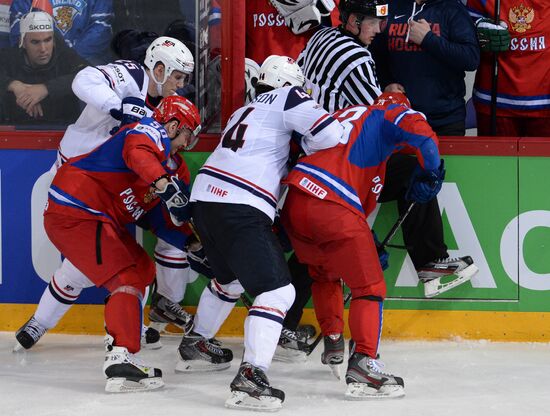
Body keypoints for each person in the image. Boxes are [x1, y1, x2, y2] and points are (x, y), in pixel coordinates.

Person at [283, 0, 479, 365]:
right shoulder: (355, 57)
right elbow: (378, 119)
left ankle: (283, 319)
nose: (379, 31)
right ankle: (430, 260)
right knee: (411, 168)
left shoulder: (320, 39)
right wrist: (394, 98)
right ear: (354, 21)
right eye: (373, 23)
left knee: (316, 255)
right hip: (337, 164)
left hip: (307, 164)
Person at [14, 35, 198, 350]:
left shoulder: (165, 111)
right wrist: (118, 106)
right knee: (97, 261)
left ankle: (149, 313)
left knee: (130, 258)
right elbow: (83, 79)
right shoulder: (132, 76)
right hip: (81, 179)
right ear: (158, 68)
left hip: (116, 186)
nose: (179, 85)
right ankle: (50, 324)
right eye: (177, 76)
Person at [183, 55, 343, 411]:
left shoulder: (244, 111)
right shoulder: (289, 98)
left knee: (230, 280)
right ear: (290, 84)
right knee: (279, 292)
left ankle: (197, 342)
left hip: (205, 200)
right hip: (240, 203)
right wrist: (310, 147)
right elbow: (332, 133)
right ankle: (251, 377)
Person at [281, 92, 445, 399]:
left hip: (296, 198)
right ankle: (364, 364)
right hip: (331, 201)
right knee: (369, 286)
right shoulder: (389, 112)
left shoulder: (346, 117)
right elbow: (424, 138)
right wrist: (432, 172)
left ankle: (332, 339)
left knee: (324, 274)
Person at [43, 95, 201, 393]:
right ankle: (120, 354)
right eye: (187, 135)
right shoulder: (147, 130)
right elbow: (137, 152)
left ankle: (121, 345)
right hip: (76, 210)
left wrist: (192, 244)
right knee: (126, 274)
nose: (187, 144)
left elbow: (158, 219)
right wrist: (166, 187)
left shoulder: (171, 169)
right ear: (172, 125)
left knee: (141, 269)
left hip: (93, 218)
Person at [371, 0, 480, 136]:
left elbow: (471, 59)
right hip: (398, 116)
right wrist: (385, 83)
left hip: (445, 120)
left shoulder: (453, 9)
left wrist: (428, 39)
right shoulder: (389, 7)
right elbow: (374, 55)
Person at [464, 0, 550, 136]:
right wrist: (478, 29)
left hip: (544, 104)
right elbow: (462, 30)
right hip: (494, 102)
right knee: (496, 157)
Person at [0, 11, 87, 125]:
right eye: (35, 42)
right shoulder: (10, 57)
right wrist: (13, 85)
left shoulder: (65, 56)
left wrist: (46, 89)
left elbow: (90, 75)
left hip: (63, 131)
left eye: (48, 40)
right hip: (14, 131)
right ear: (23, 43)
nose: (43, 49)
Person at [10, 0, 113, 64]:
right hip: (41, 58)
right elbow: (19, 26)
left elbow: (101, 28)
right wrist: (50, 57)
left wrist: (71, 57)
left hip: (85, 57)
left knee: (90, 84)